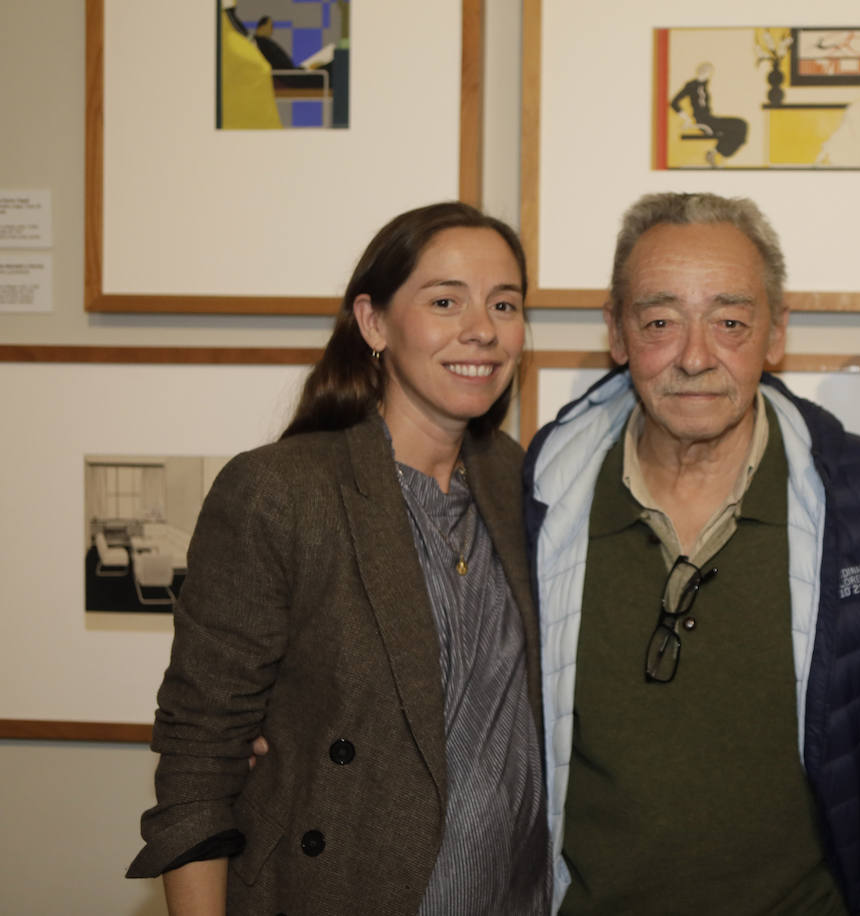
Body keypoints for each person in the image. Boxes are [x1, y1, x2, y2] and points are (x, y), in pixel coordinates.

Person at [127, 202, 549, 915]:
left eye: (503, 304)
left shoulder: (521, 483)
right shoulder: (282, 491)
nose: (482, 328)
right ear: (374, 322)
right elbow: (201, 755)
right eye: (445, 301)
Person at [525, 191, 860, 914]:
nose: (695, 357)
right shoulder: (531, 503)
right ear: (617, 334)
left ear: (776, 334)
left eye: (731, 322)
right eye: (659, 322)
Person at [670, 63, 749, 167]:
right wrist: (687, 119)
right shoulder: (691, 85)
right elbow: (674, 102)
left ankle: (714, 152)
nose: (710, 75)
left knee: (741, 125)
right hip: (704, 121)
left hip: (710, 119)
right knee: (740, 125)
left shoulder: (704, 84)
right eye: (708, 72)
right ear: (702, 71)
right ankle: (715, 152)